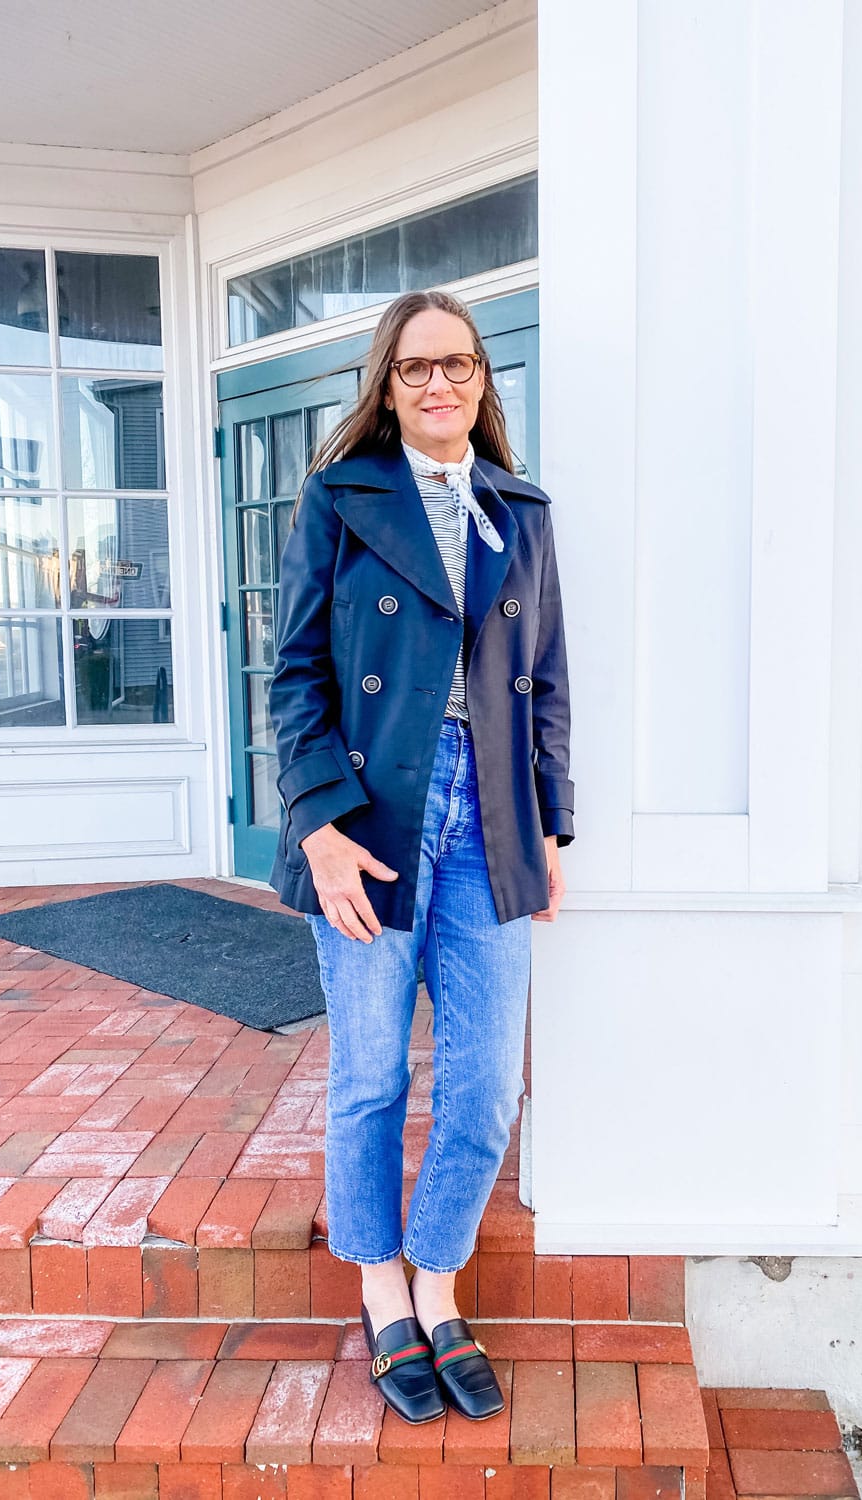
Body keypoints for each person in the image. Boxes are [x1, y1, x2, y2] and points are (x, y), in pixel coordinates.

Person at [267, 288, 574, 1425]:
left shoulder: (522, 512)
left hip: (489, 817)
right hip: (371, 813)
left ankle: (439, 1279)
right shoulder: (339, 500)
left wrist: (549, 819)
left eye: (457, 365)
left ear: (484, 381)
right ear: (385, 387)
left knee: (488, 1084)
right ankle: (381, 1286)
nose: (439, 384)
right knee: (372, 1076)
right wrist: (320, 826)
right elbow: (294, 675)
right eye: (414, 369)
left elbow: (546, 681)